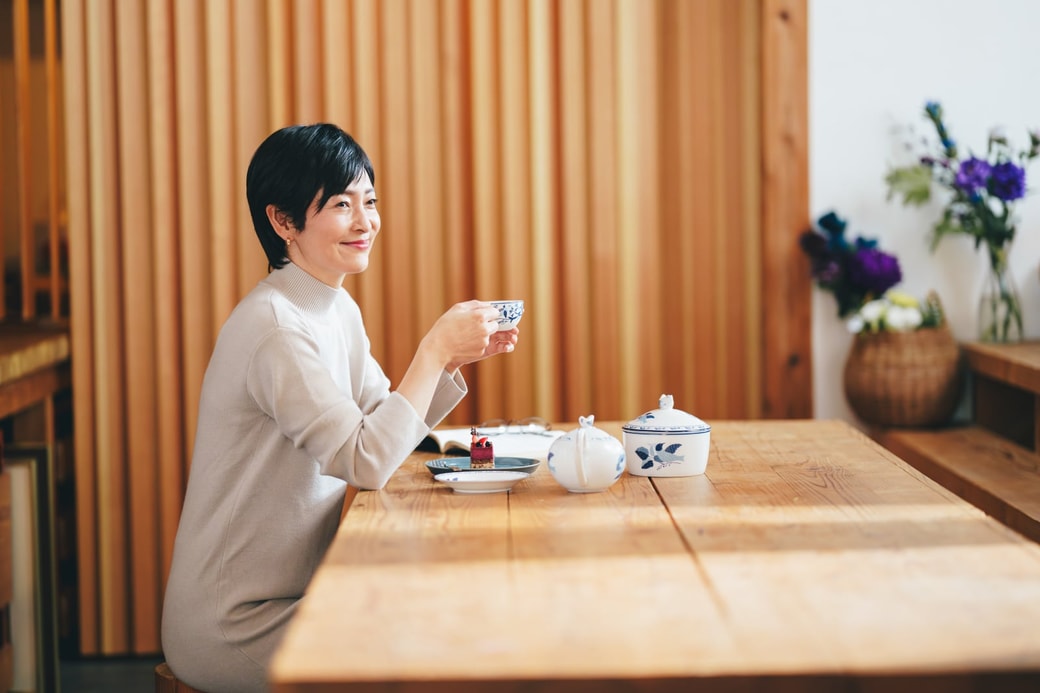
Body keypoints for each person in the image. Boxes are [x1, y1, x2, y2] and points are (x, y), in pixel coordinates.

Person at [160, 123, 518, 692]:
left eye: (370, 201)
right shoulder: (276, 326)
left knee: (452, 610)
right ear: (283, 221)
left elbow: (382, 422)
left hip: (300, 593)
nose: (365, 222)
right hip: (238, 623)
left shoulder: (333, 309)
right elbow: (366, 460)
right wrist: (433, 349)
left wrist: (450, 363)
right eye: (340, 205)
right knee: (445, 634)